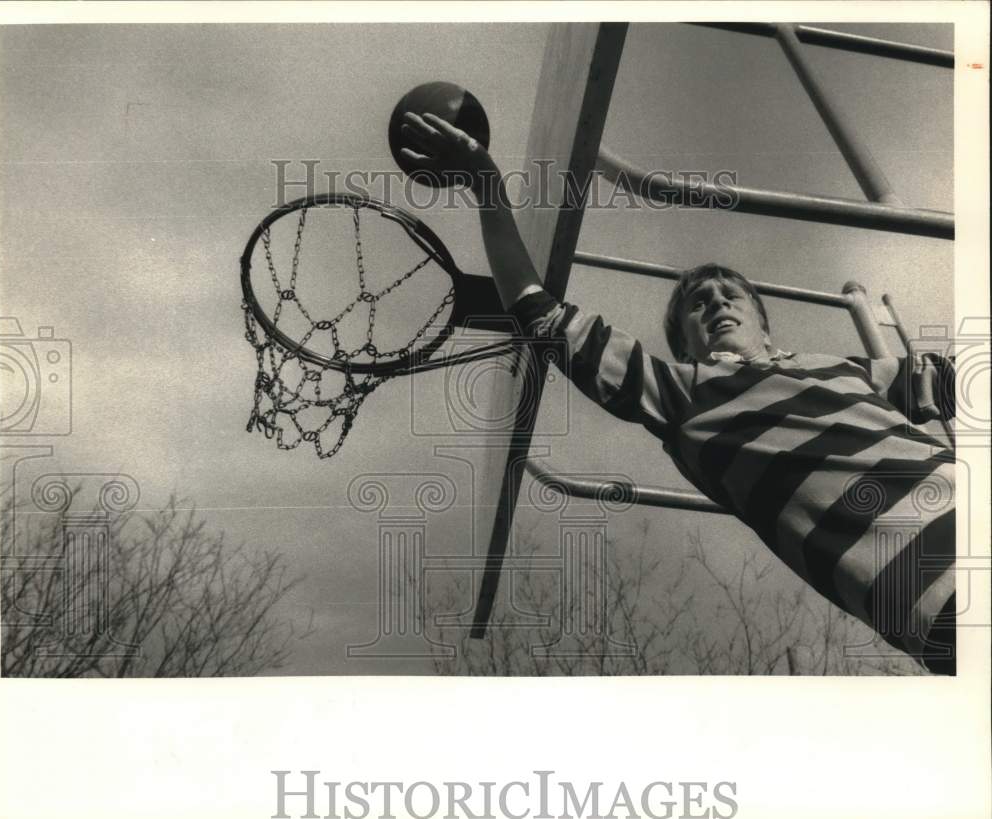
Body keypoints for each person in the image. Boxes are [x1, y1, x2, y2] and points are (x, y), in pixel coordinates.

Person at [401, 111, 957, 675]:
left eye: (730, 294)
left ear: (764, 321)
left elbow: (961, 379)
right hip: (938, 591)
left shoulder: (848, 370)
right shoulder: (684, 397)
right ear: (684, 343)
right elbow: (538, 311)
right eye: (698, 302)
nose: (717, 302)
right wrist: (487, 186)